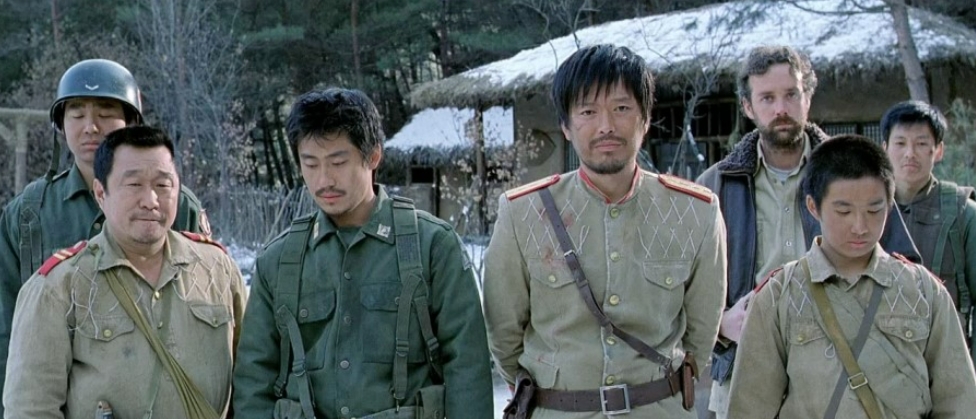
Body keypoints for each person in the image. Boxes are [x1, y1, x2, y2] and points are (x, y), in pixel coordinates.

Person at [483, 44, 727, 418]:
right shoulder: (522, 213)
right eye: (588, 111)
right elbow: (504, 337)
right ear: (566, 126)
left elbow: (700, 335)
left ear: (645, 119)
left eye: (622, 108)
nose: (606, 125)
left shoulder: (696, 211)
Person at [232, 87, 493, 419]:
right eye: (310, 164)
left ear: (373, 157)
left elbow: (467, 366)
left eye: (338, 162)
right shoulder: (278, 261)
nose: (324, 180)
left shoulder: (432, 246)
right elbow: (254, 380)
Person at [696, 45, 920, 419]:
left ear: (808, 98)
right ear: (748, 106)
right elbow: (683, 290)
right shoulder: (715, 186)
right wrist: (720, 323)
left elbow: (905, 269)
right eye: (767, 98)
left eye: (791, 95)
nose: (781, 109)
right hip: (746, 365)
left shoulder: (854, 171)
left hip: (843, 365)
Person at [0, 59, 209, 409]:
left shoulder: (172, 205)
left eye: (106, 112)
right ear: (61, 124)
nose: (90, 127)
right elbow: (6, 330)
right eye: (76, 114)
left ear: (131, 122)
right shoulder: (28, 213)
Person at [3, 125, 246, 419]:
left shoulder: (217, 269)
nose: (150, 201)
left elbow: (251, 380)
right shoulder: (58, 287)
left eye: (163, 185)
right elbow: (30, 408)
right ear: (100, 193)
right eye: (134, 185)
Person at [727, 134, 976, 418]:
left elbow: (959, 402)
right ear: (813, 207)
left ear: (889, 205)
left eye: (874, 210)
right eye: (843, 211)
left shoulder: (923, 291)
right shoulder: (778, 296)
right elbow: (750, 408)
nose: (860, 226)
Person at [881, 100, 976, 359]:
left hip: (946, 357)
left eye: (921, 144)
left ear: (939, 150)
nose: (910, 153)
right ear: (885, 149)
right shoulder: (865, 210)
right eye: (900, 143)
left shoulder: (963, 213)